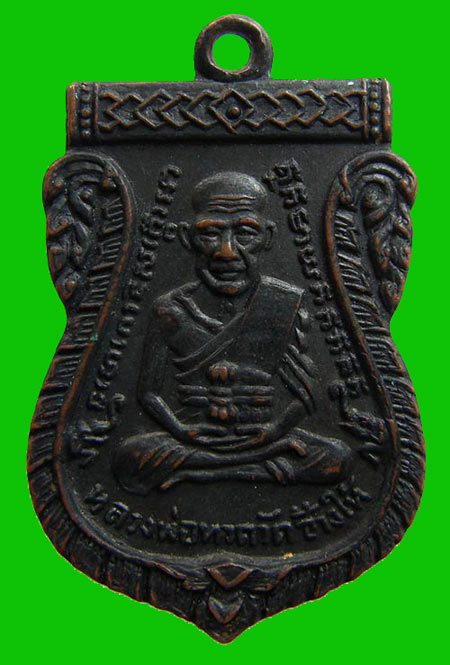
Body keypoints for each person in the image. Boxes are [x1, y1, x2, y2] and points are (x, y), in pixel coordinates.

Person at [113, 172, 352, 494]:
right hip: (194, 437)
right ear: (187, 238)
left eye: (245, 233)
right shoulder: (169, 310)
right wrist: (181, 431)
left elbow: (307, 395)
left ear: (267, 236)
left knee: (337, 458)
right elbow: (149, 394)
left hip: (261, 434)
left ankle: (203, 472)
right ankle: (250, 467)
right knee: (129, 458)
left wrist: (274, 430)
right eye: (210, 233)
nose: (226, 252)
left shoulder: (280, 303)